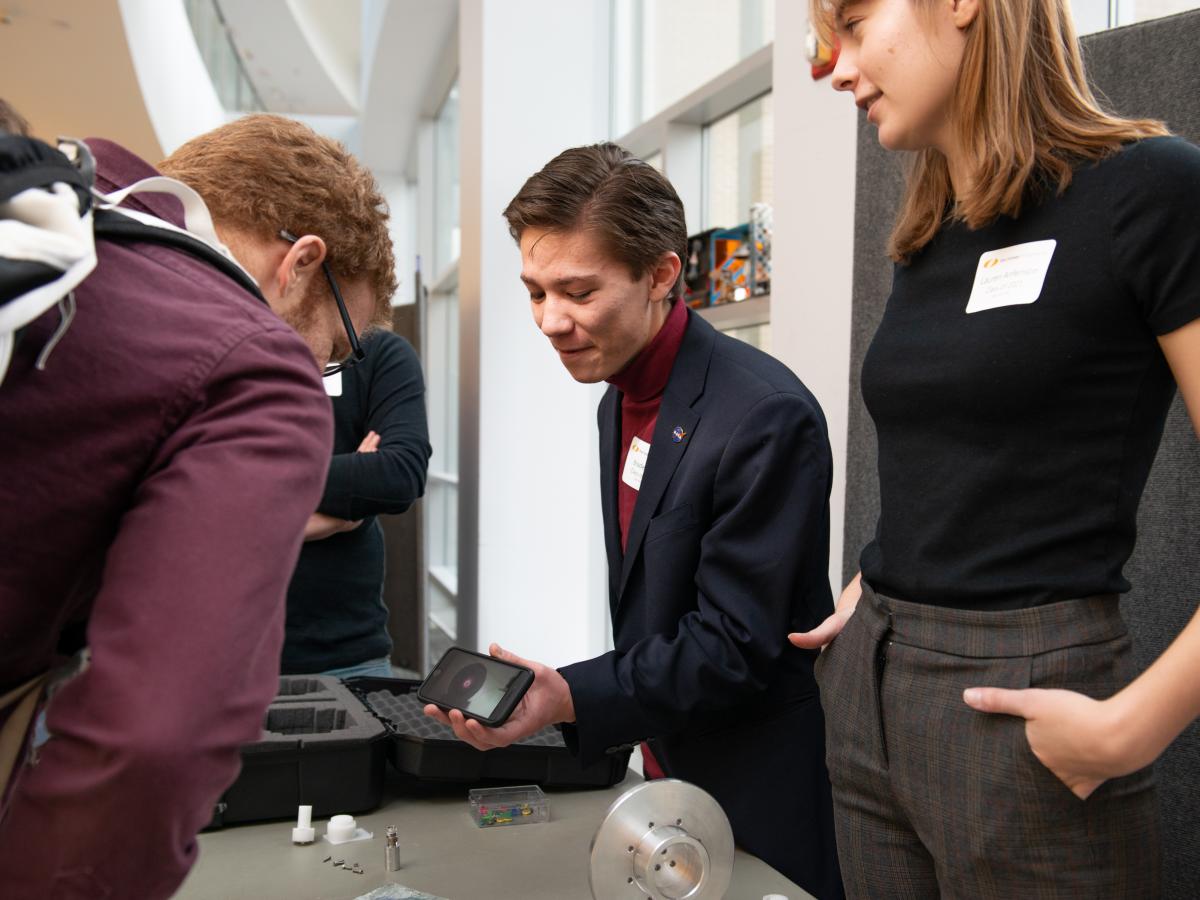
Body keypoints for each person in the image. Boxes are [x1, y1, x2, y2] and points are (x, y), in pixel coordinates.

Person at [790, 0, 1200, 896]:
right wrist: (880, 583)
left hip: (1024, 695)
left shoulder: (1153, 188)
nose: (840, 68)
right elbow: (963, 455)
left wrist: (1131, 730)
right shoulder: (930, 232)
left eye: (855, 24)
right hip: (874, 689)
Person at [426, 143, 843, 898]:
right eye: (535, 292)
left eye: (577, 292)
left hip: (756, 790)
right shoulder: (619, 396)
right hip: (665, 775)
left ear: (661, 274)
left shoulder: (764, 417)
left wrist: (570, 695)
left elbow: (733, 646)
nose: (551, 321)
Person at [0, 111, 396, 899]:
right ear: (301, 262)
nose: (323, 368)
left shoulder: (67, 202)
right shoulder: (256, 369)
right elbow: (152, 744)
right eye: (339, 345)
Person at [283, 327, 431, 680]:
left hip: (349, 657)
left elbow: (397, 474)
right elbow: (188, 492)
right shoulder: (226, 345)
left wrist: (248, 485)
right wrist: (337, 514)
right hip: (220, 659)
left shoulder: (377, 352)